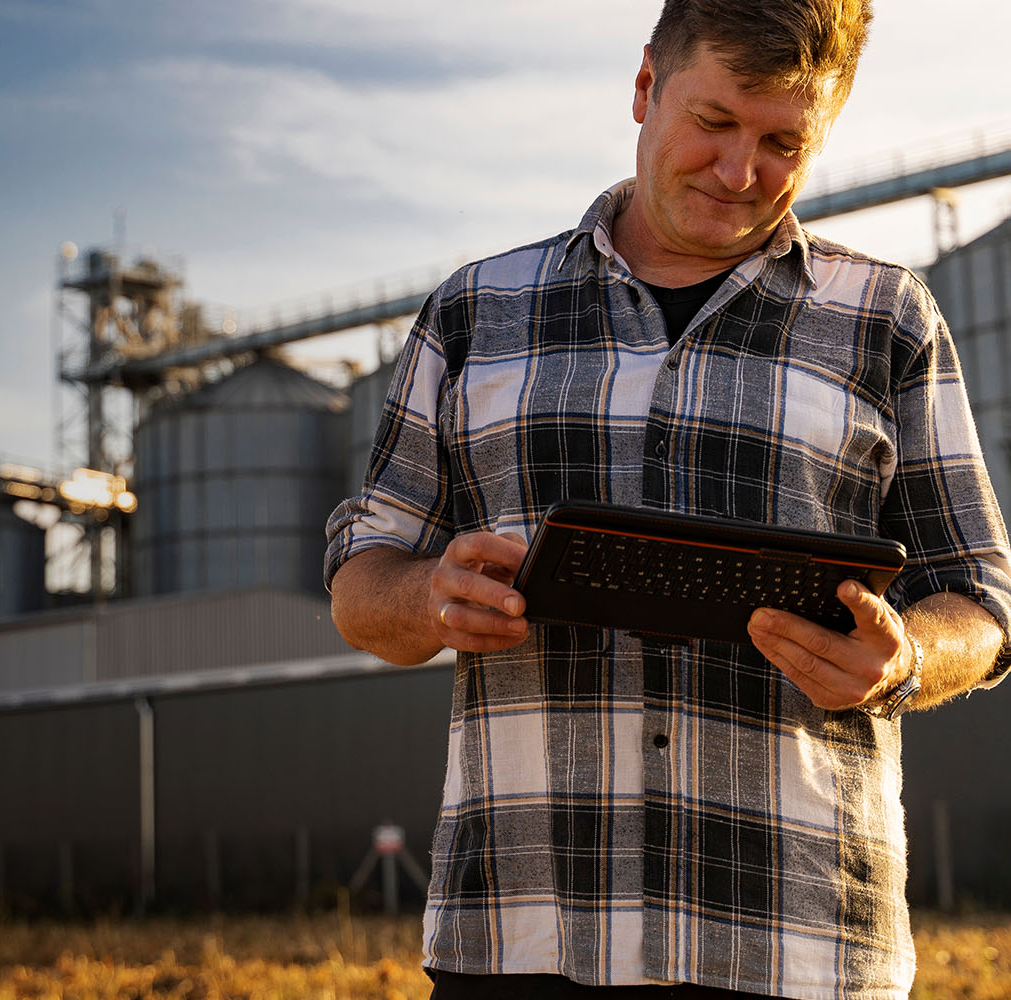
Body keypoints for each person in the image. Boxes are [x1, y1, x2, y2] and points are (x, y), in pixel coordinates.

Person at [324, 2, 1011, 998]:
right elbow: (363, 581)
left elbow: (984, 605)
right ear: (646, 86)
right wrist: (426, 594)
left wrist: (903, 657)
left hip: (800, 943)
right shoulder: (476, 310)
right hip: (523, 938)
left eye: (783, 142)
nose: (741, 173)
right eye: (715, 122)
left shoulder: (885, 319)